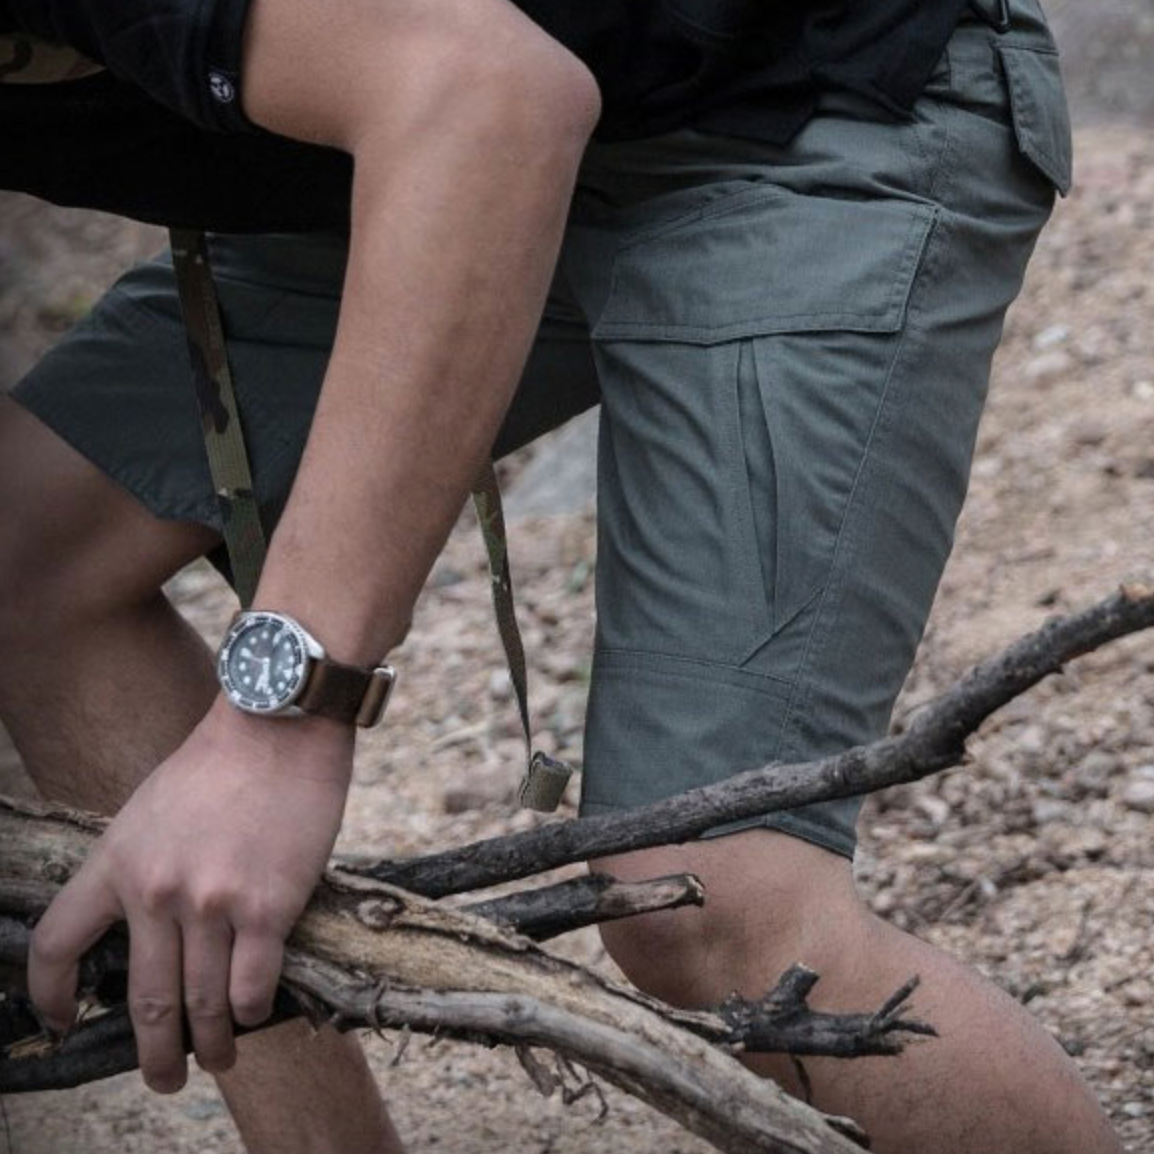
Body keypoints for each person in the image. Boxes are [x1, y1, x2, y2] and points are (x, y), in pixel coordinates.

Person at [0, 0, 1124, 1151]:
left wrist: (277, 719)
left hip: (802, 100)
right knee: (30, 545)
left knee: (708, 890)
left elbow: (488, 93)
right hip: (461, 134)